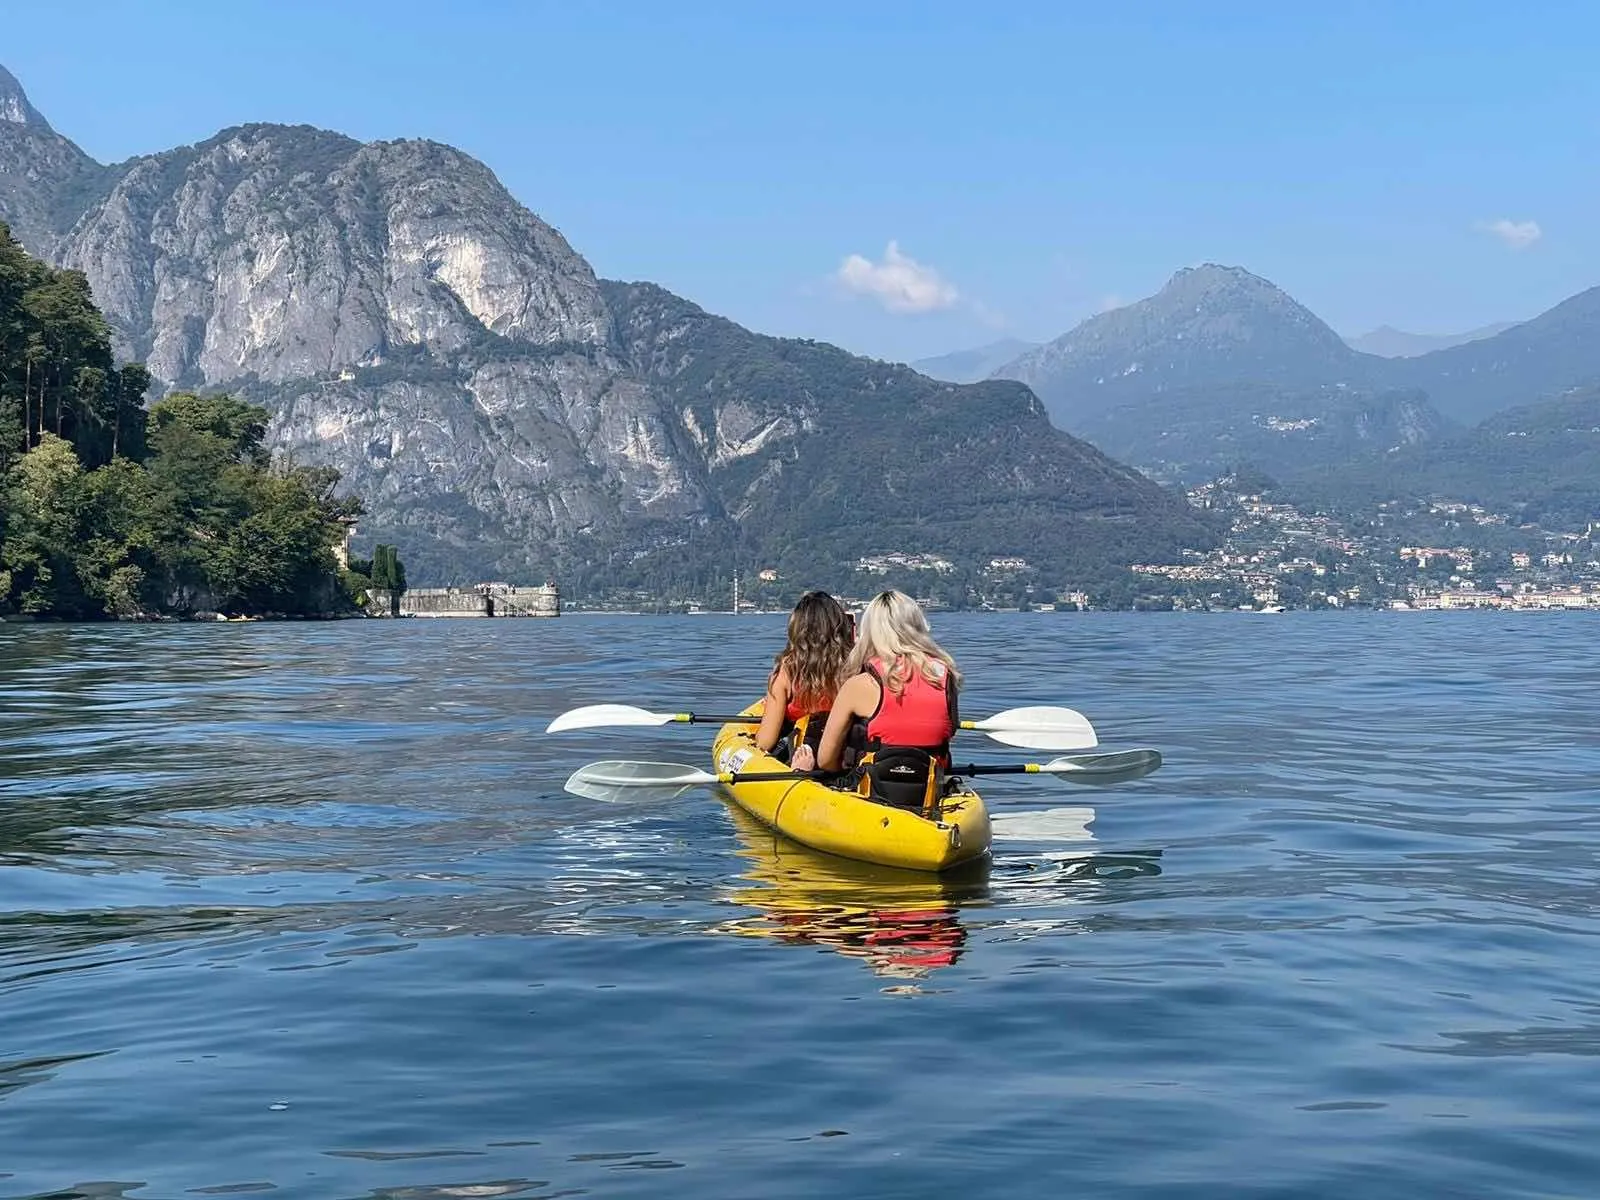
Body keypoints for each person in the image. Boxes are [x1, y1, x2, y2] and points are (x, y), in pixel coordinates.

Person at [815, 590, 961, 809]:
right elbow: (950, 730)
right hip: (929, 790)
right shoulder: (946, 678)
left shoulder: (859, 684)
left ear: (870, 631)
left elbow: (825, 760)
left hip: (872, 794)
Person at [755, 590, 855, 771]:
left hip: (802, 752)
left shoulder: (787, 670)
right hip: (843, 756)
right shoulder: (855, 666)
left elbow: (765, 742)